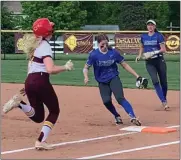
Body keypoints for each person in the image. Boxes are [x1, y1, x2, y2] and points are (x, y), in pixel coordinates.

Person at [2, 18, 74, 150]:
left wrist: (28, 85)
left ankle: (20, 103)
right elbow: (50, 69)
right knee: (54, 111)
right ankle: (41, 141)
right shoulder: (45, 46)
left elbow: (32, 67)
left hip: (30, 80)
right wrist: (65, 67)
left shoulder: (36, 44)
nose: (52, 30)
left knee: (38, 117)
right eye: (50, 29)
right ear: (47, 33)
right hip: (41, 81)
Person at [83, 34, 148, 126]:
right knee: (106, 101)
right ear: (98, 44)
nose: (105, 47)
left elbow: (124, 65)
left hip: (113, 78)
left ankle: (133, 117)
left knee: (120, 98)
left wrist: (137, 76)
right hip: (102, 81)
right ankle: (116, 115)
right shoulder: (94, 55)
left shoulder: (113, 53)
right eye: (102, 45)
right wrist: (86, 76)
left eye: (106, 44)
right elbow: (86, 68)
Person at [136, 19, 169, 110]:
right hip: (149, 62)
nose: (150, 26)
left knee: (164, 82)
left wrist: (153, 52)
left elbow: (163, 49)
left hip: (159, 60)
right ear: (147, 26)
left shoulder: (159, 36)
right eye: (148, 25)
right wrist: (139, 55)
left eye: (152, 25)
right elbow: (142, 47)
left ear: (155, 27)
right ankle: (163, 101)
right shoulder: (144, 36)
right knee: (155, 81)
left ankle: (164, 98)